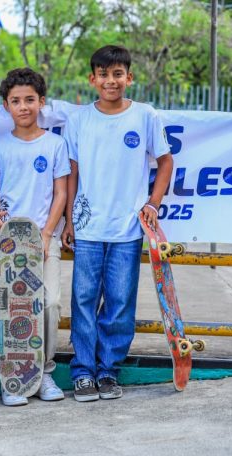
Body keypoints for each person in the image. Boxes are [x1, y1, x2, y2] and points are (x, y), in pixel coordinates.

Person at [62, 45, 173, 401]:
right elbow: (72, 172)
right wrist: (69, 220)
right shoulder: (79, 120)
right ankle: (83, 372)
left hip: (127, 229)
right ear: (92, 79)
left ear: (130, 77)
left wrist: (153, 203)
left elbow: (165, 162)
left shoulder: (145, 115)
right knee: (83, 300)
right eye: (104, 75)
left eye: (118, 74)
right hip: (87, 228)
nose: (111, 81)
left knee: (120, 302)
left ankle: (108, 371)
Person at [0, 68, 70, 406]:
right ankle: (9, 375)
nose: (23, 107)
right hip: (5, 242)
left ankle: (43, 371)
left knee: (48, 304)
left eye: (30, 100)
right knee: (3, 307)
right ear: (6, 105)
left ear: (42, 102)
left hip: (43, 239)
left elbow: (61, 193)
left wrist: (46, 235)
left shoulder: (55, 144)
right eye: (16, 101)